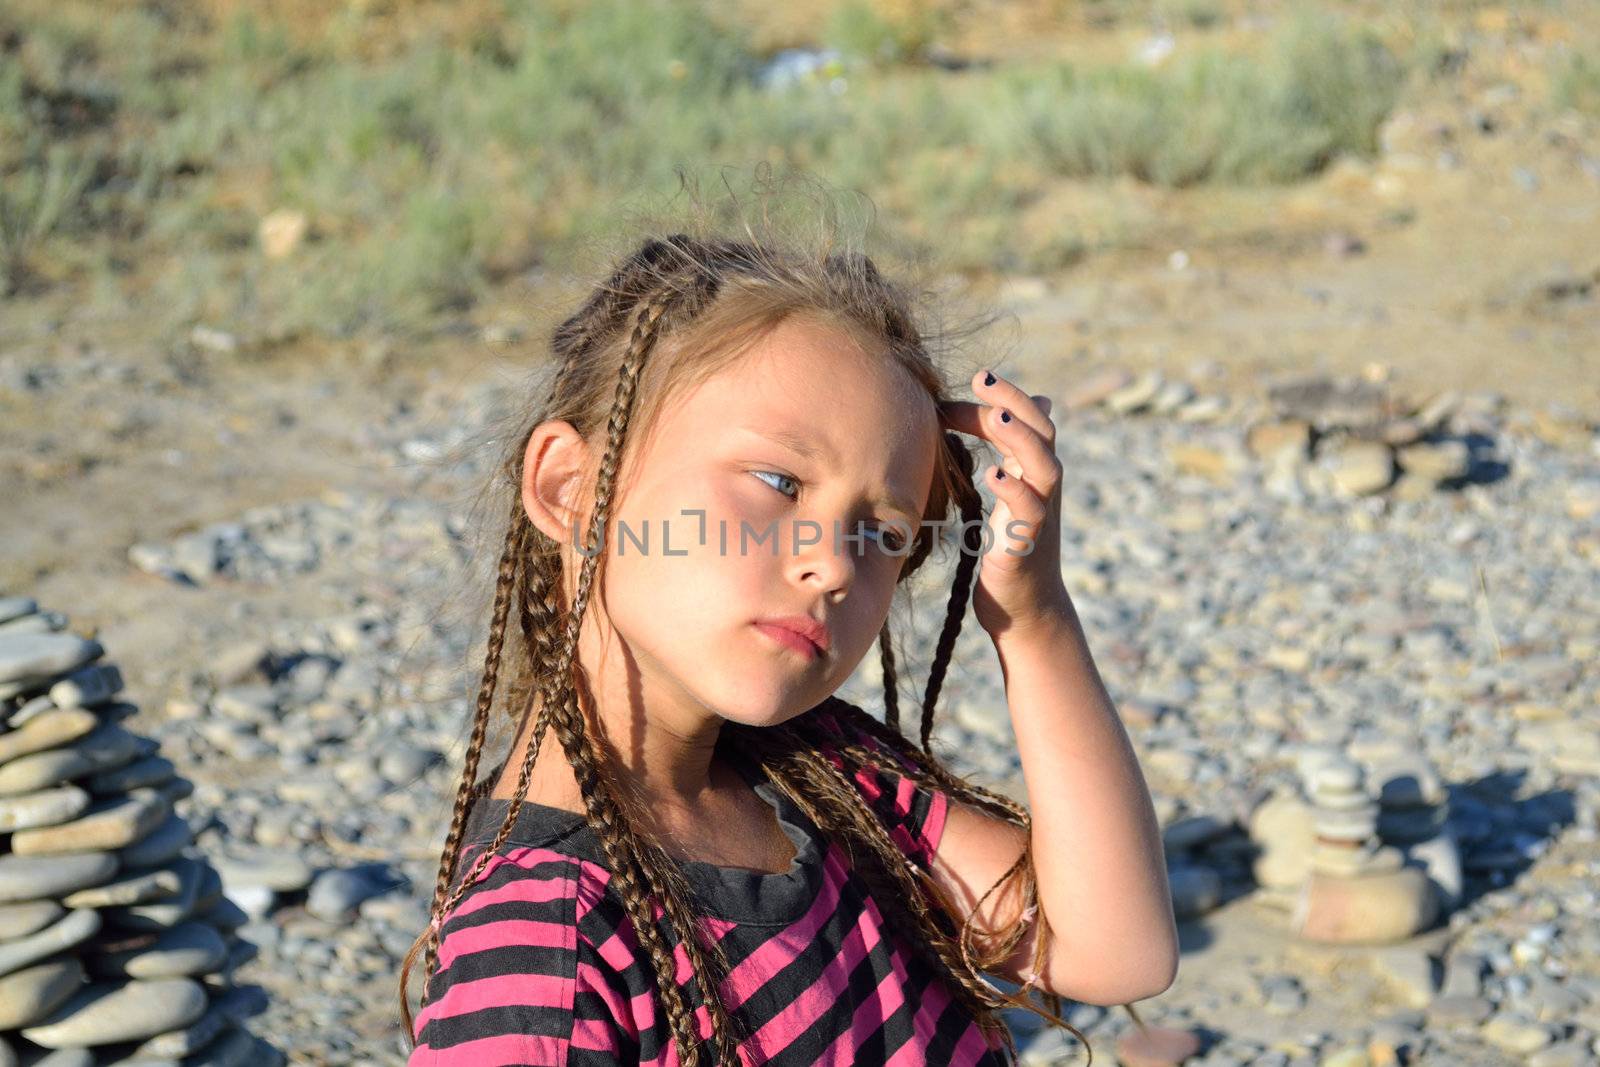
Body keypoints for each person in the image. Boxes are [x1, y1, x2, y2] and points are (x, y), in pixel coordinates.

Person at [399, 198, 1178, 1066]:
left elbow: (1113, 951)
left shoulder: (818, 773)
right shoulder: (548, 949)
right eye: (777, 480)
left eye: (883, 532)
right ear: (571, 487)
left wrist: (1034, 622)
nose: (836, 565)